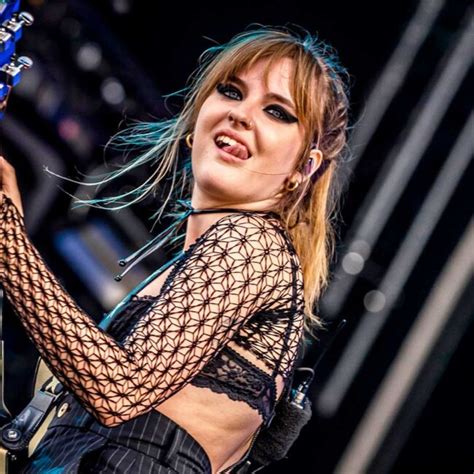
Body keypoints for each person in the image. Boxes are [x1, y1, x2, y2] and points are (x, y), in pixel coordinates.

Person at [0, 24, 351, 473]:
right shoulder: (195, 262)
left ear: (304, 167)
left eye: (277, 112)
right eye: (231, 91)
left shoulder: (253, 244)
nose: (241, 115)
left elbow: (118, 390)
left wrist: (9, 243)